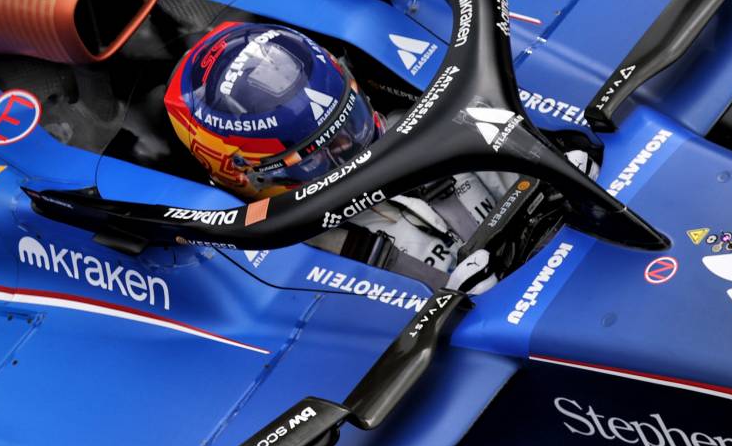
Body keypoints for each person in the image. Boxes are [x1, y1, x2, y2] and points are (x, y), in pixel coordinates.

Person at [166, 21, 507, 280]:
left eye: (351, 122)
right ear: (243, 174)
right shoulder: (301, 260)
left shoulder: (430, 126)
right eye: (313, 156)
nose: (349, 148)